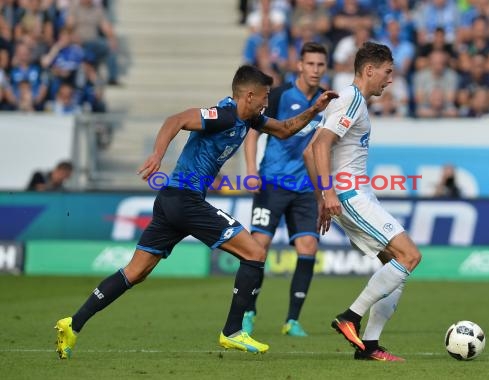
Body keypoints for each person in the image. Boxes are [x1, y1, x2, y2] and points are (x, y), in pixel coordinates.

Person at [54, 65, 338, 359]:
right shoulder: (224, 115)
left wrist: (314, 108)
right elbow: (176, 119)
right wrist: (157, 155)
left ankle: (73, 324)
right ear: (249, 95)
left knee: (135, 272)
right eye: (265, 96)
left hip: (171, 203)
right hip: (186, 201)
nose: (267, 102)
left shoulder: (249, 119)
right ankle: (232, 331)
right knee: (255, 253)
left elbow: (285, 129)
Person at [304, 42, 422, 361]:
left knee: (395, 266)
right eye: (387, 72)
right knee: (409, 256)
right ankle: (350, 317)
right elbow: (319, 148)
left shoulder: (352, 101)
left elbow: (310, 149)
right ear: (369, 70)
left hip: (351, 194)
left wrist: (322, 199)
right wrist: (328, 194)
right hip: (350, 194)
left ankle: (369, 347)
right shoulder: (351, 99)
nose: (390, 80)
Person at [241, 42, 328, 337]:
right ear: (300, 66)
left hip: (305, 187)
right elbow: (253, 134)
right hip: (272, 182)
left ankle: (292, 321)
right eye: (311, 64)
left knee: (308, 247)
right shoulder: (278, 96)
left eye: (320, 65)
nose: (315, 69)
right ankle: (248, 311)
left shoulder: (327, 100)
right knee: (258, 247)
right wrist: (251, 171)